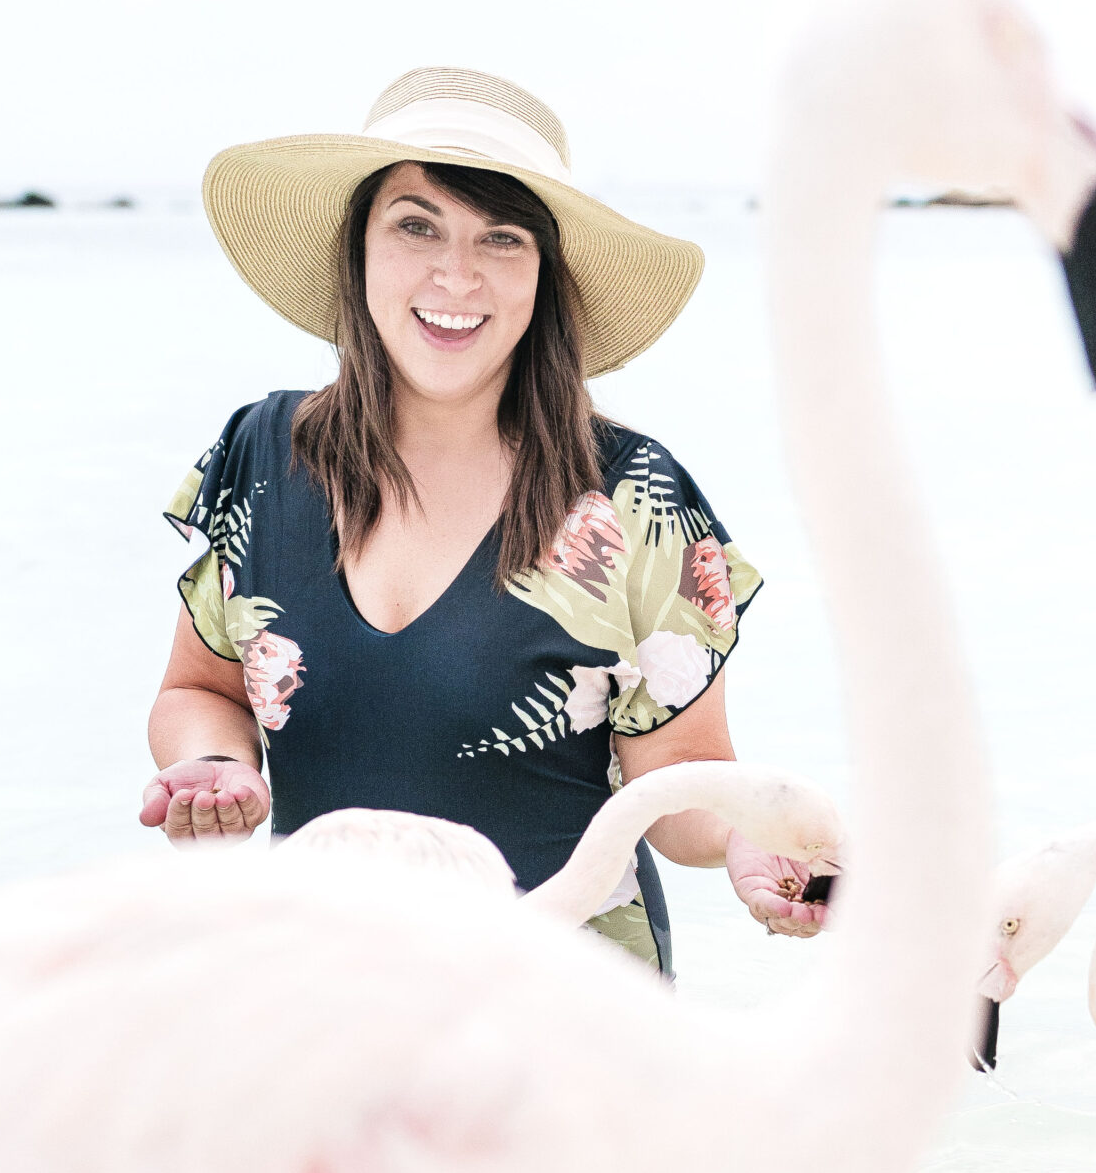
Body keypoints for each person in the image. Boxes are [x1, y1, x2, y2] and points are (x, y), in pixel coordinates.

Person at [141, 66, 827, 968]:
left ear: (544, 277)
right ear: (359, 252)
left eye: (501, 239)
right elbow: (202, 689)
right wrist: (220, 768)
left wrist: (750, 835)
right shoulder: (265, 459)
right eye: (416, 225)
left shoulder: (633, 499)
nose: (455, 274)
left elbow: (678, 789)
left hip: (569, 1011)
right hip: (313, 992)